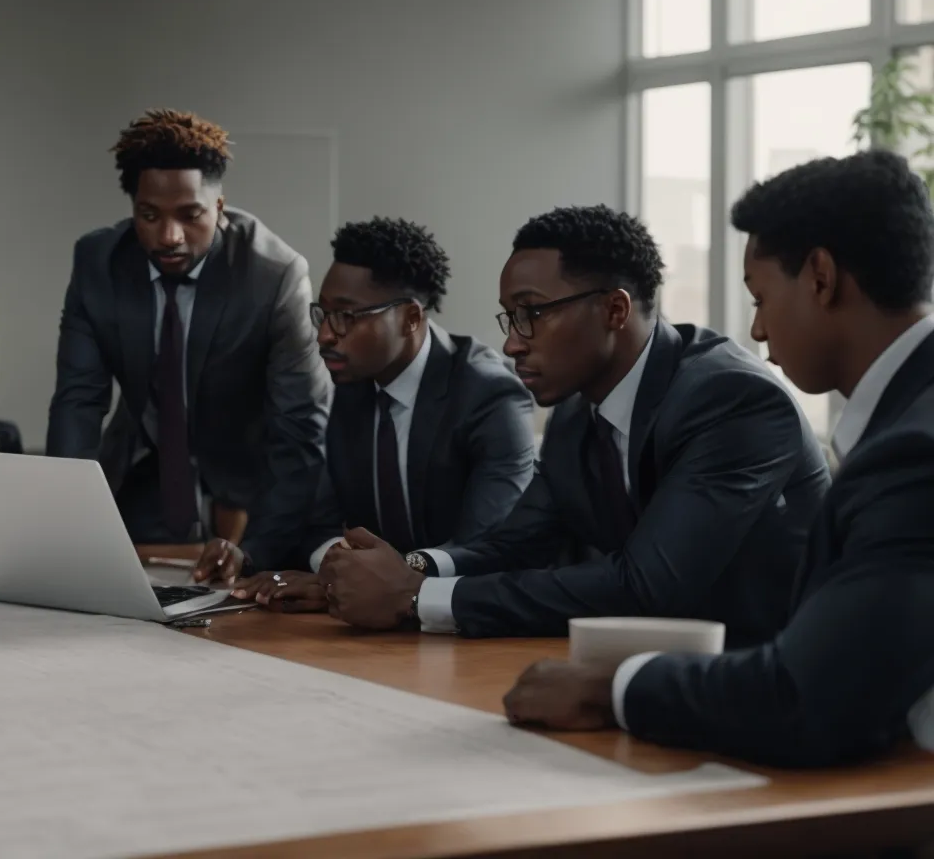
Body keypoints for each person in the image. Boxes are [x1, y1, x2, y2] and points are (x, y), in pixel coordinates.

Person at [505, 151, 934, 767]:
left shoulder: (913, 455)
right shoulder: (906, 424)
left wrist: (612, 687)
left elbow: (805, 698)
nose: (756, 331)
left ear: (820, 277)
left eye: (759, 297)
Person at [317, 205, 828, 644]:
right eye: (509, 318)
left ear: (614, 309)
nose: (514, 342)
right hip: (653, 661)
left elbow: (645, 585)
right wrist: (405, 570)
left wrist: (415, 597)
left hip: (774, 675)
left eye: (531, 313)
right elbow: (515, 543)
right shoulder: (577, 412)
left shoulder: (730, 399)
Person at [201, 218, 536, 609]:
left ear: (411, 317)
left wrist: (378, 576)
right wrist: (333, 572)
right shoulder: (350, 386)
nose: (325, 335)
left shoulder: (490, 397)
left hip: (476, 624)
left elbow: (485, 547)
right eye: (322, 315)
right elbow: (319, 521)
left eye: (347, 316)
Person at [46, 109, 330, 568]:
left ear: (218, 208)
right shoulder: (98, 261)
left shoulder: (274, 275)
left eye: (189, 214)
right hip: (147, 459)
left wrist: (257, 551)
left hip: (252, 465)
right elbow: (77, 401)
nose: (169, 236)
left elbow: (299, 426)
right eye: (149, 216)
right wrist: (64, 525)